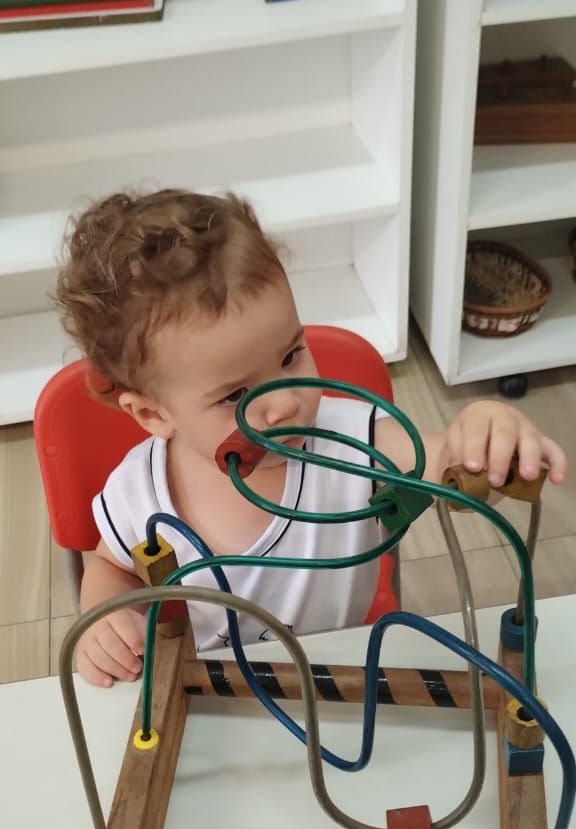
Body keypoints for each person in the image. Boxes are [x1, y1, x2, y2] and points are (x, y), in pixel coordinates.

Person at [55, 189, 567, 687]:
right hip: (225, 687)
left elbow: (452, 473)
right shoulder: (143, 490)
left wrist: (485, 438)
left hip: (350, 673)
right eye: (234, 395)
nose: (285, 403)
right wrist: (104, 620)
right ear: (153, 414)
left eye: (290, 356)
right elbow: (112, 567)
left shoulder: (353, 441)